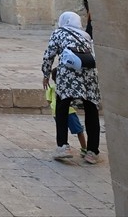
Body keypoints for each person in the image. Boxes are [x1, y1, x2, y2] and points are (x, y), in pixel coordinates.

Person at [41, 11, 102, 164]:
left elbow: (49, 54)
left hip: (68, 74)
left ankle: (63, 146)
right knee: (91, 110)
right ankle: (92, 152)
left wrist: (46, 74)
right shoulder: (85, 36)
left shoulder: (59, 33)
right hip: (89, 74)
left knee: (62, 107)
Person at [46, 69, 89, 157]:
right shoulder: (68, 86)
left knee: (61, 130)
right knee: (79, 130)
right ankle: (84, 148)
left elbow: (48, 100)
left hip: (56, 112)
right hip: (69, 111)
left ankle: (64, 147)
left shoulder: (51, 87)